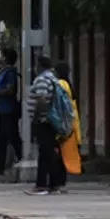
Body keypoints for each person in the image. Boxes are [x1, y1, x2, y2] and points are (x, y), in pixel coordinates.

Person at [26, 55, 63, 195]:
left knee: (45, 152)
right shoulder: (53, 78)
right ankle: (54, 184)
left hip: (44, 120)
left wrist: (36, 117)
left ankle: (42, 185)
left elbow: (41, 100)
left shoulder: (42, 79)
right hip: (52, 120)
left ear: (40, 66)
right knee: (49, 152)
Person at [0, 48, 22, 176]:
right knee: (2, 138)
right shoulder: (4, 72)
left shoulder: (10, 73)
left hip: (8, 109)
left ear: (5, 58)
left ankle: (21, 156)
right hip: (3, 109)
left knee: (12, 136)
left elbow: (10, 90)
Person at [55, 62, 81, 191]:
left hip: (63, 122)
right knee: (64, 153)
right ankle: (61, 181)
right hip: (72, 122)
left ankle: (58, 181)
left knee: (58, 153)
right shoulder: (69, 84)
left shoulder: (60, 84)